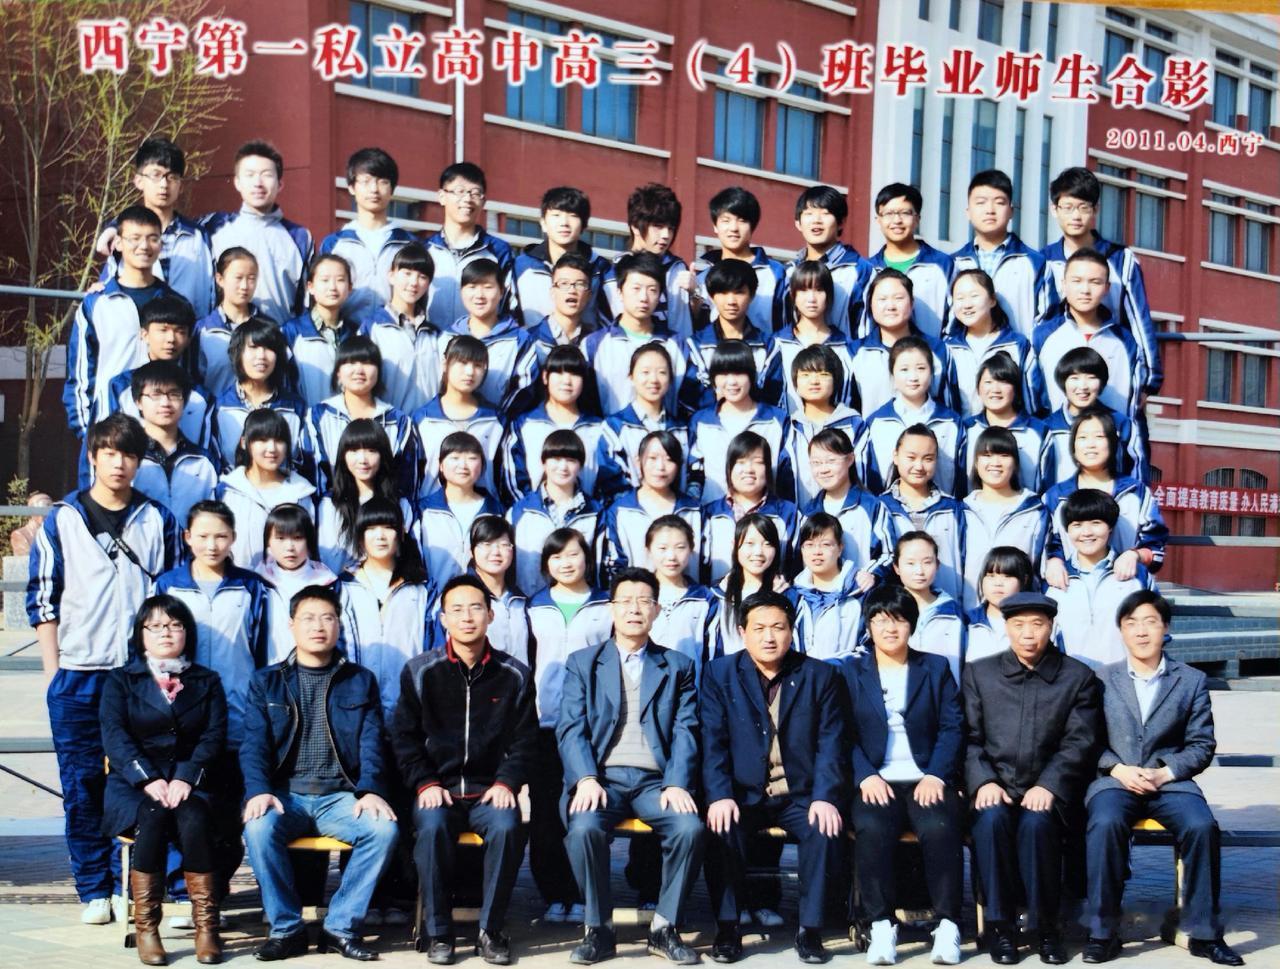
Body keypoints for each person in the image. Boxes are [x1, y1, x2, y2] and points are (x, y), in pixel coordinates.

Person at [27, 414, 182, 925]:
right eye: (109, 453)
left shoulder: (158, 519)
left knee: (149, 780)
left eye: (128, 454)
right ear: (93, 456)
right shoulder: (63, 519)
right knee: (82, 785)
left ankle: (139, 884)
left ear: (139, 461)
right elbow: (43, 599)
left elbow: (171, 599)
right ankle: (94, 887)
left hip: (141, 676)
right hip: (78, 673)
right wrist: (54, 673)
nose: (119, 463)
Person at [1082, 590, 1243, 966]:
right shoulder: (1100, 679)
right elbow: (1086, 740)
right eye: (1132, 623)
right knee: (1104, 822)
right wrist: (1117, 768)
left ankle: (1204, 934)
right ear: (1121, 631)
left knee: (1202, 826)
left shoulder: (1191, 680)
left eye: (1150, 622)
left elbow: (1202, 744)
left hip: (1170, 783)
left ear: (1165, 628)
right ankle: (1103, 932)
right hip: (1115, 780)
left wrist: (1165, 772)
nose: (1141, 631)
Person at [240, 584, 399, 962]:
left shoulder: (359, 679)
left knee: (383, 830)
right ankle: (287, 929)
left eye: (327, 618)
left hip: (340, 797)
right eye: (308, 618)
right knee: (258, 828)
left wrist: (371, 790)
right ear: (291, 624)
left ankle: (340, 926)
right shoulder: (267, 681)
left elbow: (372, 743)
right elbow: (254, 745)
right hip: (286, 796)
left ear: (338, 625)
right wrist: (259, 790)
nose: (318, 626)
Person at [559, 568, 705, 966]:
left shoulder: (677, 666)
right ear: (611, 608)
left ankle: (664, 927)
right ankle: (599, 929)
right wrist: (586, 777)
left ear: (657, 610)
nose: (635, 609)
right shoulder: (582, 663)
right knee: (584, 828)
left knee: (689, 828)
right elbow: (571, 728)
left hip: (656, 782)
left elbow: (686, 730)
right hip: (602, 779)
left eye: (644, 601)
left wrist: (677, 782)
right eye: (625, 601)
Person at [392, 574, 536, 966]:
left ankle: (491, 930)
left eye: (475, 608)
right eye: (456, 610)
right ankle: (439, 932)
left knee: (508, 827)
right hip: (438, 789)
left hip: (490, 790)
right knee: (432, 828)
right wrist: (424, 782)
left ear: (491, 615)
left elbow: (526, 740)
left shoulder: (514, 674)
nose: (467, 618)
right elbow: (404, 737)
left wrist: (507, 782)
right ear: (443, 619)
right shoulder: (421, 671)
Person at [701, 590, 847, 965]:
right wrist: (719, 795)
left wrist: (824, 797)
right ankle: (728, 928)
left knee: (823, 827)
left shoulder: (820, 675)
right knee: (720, 826)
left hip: (798, 792)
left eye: (778, 627)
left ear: (791, 631)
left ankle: (810, 930)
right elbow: (713, 742)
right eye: (760, 628)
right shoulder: (720, 674)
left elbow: (831, 743)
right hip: (742, 793)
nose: (769, 637)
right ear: (742, 631)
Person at [963, 591, 1103, 966]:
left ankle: (1046, 928)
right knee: (991, 821)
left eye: (1037, 625)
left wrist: (1049, 784)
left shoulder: (1077, 678)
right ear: (1006, 627)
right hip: (996, 786)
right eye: (1019, 624)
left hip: (1049, 793)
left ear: (1051, 627)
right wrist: (984, 781)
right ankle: (1001, 928)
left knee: (1037, 826)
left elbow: (1080, 742)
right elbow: (969, 738)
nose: (1028, 634)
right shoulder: (980, 674)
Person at [838, 584, 964, 967]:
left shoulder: (935, 667)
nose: (890, 628)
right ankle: (880, 924)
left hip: (926, 777)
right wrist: (865, 776)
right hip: (877, 779)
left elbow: (952, 726)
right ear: (868, 626)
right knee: (872, 828)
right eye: (880, 620)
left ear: (912, 624)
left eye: (898, 620)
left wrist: (937, 775)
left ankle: (947, 924)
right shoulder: (851, 672)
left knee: (940, 827)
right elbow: (842, 732)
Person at [101, 596, 228, 965]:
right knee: (153, 815)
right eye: (155, 626)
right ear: (141, 634)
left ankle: (207, 926)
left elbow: (214, 735)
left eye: (174, 625)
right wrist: (147, 779)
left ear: (187, 632)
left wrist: (187, 776)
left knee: (195, 817)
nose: (166, 633)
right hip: (135, 784)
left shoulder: (207, 680)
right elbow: (115, 736)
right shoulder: (121, 681)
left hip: (193, 780)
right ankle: (147, 928)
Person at [156, 500, 272, 901]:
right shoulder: (168, 585)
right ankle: (182, 890)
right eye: (203, 536)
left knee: (226, 809)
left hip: (237, 714)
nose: (212, 544)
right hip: (182, 716)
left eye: (221, 536)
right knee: (183, 802)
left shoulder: (251, 587)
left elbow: (262, 650)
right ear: (187, 537)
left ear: (234, 538)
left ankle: (214, 887)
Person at [526, 529, 613, 923]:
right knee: (546, 813)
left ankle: (582, 892)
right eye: (557, 556)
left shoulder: (605, 605)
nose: (566, 563)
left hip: (590, 726)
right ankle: (554, 894)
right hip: (544, 723)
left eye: (573, 554)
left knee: (581, 809)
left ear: (587, 558)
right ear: (546, 563)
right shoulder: (534, 606)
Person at [1041, 166, 1161, 411]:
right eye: (1068, 207)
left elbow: (1139, 320)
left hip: (1112, 362)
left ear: (1095, 209)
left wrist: (1149, 380)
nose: (1076, 216)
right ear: (1054, 210)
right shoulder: (1042, 261)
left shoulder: (1121, 259)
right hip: (1060, 369)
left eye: (1083, 207)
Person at [65, 205, 176, 456]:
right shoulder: (96, 304)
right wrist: (89, 434)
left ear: (161, 244)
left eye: (152, 238)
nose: (144, 246)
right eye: (134, 238)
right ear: (118, 243)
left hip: (161, 435)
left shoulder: (174, 303)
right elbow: (79, 376)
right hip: (108, 436)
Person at [1041, 408, 1167, 587]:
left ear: (1112, 443)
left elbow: (1155, 545)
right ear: (1073, 446)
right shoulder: (1055, 496)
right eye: (1082, 437)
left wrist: (1134, 555)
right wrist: (1054, 561)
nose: (1090, 444)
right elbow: (1047, 545)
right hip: (1070, 589)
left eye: (1099, 437)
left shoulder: (1135, 492)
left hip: (1125, 589)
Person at [338, 498, 439, 719]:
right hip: (356, 709)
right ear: (360, 535)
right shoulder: (343, 587)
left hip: (410, 707)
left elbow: (434, 646)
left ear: (401, 533)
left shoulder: (423, 589)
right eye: (371, 528)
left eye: (388, 527)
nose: (380, 536)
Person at [99, 137, 216, 318]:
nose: (164, 184)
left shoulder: (197, 237)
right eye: (156, 175)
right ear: (138, 181)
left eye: (172, 177)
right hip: (137, 329)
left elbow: (209, 295)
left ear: (180, 185)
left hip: (186, 331)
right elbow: (108, 289)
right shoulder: (123, 236)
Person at [202, 140, 314, 325]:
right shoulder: (215, 227)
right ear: (237, 182)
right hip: (222, 336)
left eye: (267, 175)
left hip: (278, 337)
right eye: (250, 175)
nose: (258, 183)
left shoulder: (299, 237)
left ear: (280, 183)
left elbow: (306, 302)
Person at [1033, 248, 1144, 424]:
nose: (1085, 290)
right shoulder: (1042, 336)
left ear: (1107, 288)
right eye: (1077, 281)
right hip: (1057, 436)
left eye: (1095, 282)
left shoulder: (1125, 340)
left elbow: (1133, 401)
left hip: (1110, 437)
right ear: (1063, 284)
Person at [1047, 490, 1155, 670]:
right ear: (1067, 530)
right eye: (1077, 525)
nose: (1086, 532)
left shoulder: (1137, 576)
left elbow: (1155, 629)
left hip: (1123, 679)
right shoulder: (1053, 578)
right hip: (1070, 681)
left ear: (1110, 527)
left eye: (1096, 523)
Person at [306, 335, 420, 496]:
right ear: (338, 372)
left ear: (378, 371)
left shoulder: (399, 422)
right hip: (332, 508)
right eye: (350, 362)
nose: (359, 370)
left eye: (367, 362)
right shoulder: (317, 417)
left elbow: (407, 483)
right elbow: (312, 474)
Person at [856, 335, 965, 497]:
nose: (913, 377)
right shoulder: (876, 423)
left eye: (921, 368)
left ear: (932, 372)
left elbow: (961, 479)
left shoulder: (951, 422)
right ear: (892, 374)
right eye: (904, 369)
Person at [951, 169, 1051, 341]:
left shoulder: (1035, 263)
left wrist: (1026, 352)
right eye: (981, 202)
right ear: (968, 212)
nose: (990, 210)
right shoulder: (953, 264)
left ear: (1011, 211)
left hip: (1019, 355)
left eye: (999, 202)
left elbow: (1048, 322)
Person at [687, 341, 790, 505]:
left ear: (751, 376)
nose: (732, 382)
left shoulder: (776, 420)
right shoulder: (701, 421)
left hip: (765, 515)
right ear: (713, 379)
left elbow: (787, 475)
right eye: (723, 374)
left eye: (739, 373)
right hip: (715, 515)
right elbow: (693, 475)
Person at [320, 147, 416, 323]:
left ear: (392, 189)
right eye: (366, 181)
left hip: (395, 332)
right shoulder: (334, 243)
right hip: (348, 335)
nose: (374, 189)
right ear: (351, 187)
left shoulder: (409, 243)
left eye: (382, 182)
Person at [587, 252, 688, 417]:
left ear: (660, 296)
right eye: (636, 288)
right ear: (620, 292)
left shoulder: (678, 345)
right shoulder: (594, 344)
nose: (643, 298)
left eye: (652, 290)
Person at [108, 295, 213, 452]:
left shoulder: (200, 395)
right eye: (163, 330)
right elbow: (102, 442)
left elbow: (207, 453)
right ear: (144, 334)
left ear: (188, 339)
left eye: (180, 331)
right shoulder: (120, 386)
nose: (171, 339)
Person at [215, 408, 317, 570]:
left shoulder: (301, 493)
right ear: (244, 443)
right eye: (262, 440)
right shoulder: (226, 490)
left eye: (279, 440)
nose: (272, 448)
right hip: (241, 582)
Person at [848, 270, 957, 421]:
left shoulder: (938, 350)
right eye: (882, 299)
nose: (890, 306)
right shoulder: (854, 352)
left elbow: (950, 410)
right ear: (870, 304)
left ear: (912, 303)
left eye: (898, 298)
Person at [961, 426, 1048, 611]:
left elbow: (1043, 568)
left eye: (1004, 455)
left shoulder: (1034, 511)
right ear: (976, 462)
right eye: (987, 455)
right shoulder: (962, 511)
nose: (995, 463)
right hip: (972, 616)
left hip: (1020, 615)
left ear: (1015, 463)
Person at [209, 317, 310, 476]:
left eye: (269, 348)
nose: (261, 355)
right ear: (238, 353)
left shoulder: (295, 407)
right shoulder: (219, 407)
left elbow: (303, 463)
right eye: (253, 347)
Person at [876, 425, 965, 604]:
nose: (919, 466)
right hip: (894, 610)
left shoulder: (953, 508)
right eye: (911, 457)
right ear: (896, 456)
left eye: (928, 459)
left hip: (945, 608)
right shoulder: (880, 506)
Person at [425, 161, 519, 330]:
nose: (467, 199)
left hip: (481, 344)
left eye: (475, 193)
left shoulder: (498, 251)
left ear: (483, 201)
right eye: (459, 191)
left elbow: (510, 306)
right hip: (432, 343)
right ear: (442, 196)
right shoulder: (425, 250)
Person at [502, 344, 604, 501]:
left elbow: (606, 480)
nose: (566, 381)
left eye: (574, 374)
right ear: (545, 377)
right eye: (559, 372)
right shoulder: (523, 424)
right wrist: (532, 508)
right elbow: (513, 479)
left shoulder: (599, 428)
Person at [509, 431, 603, 598]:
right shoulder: (520, 511)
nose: (563, 467)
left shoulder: (595, 512)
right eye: (556, 459)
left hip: (580, 602)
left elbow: (600, 567)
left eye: (571, 460)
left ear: (580, 466)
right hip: (531, 604)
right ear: (543, 462)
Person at [315, 418, 414, 576]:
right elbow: (324, 561)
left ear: (383, 455)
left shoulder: (401, 504)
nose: (362, 460)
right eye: (354, 451)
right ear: (343, 456)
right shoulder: (329, 505)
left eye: (371, 450)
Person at [600, 431, 701, 585]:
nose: (660, 467)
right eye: (653, 458)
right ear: (638, 461)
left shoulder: (694, 511)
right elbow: (613, 568)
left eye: (669, 460)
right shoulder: (619, 511)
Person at [699, 432, 798, 587]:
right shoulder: (709, 514)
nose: (749, 469)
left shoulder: (787, 513)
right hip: (721, 597)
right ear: (729, 468)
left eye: (758, 462)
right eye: (741, 462)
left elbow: (797, 566)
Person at [126, 361, 219, 526]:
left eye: (174, 394)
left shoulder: (203, 461)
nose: (165, 403)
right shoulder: (128, 458)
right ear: (138, 401)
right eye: (156, 394)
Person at [601, 182, 697, 341]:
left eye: (671, 228)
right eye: (658, 226)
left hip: (677, 353)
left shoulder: (678, 269)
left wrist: (694, 295)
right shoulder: (614, 272)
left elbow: (688, 326)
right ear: (635, 226)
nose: (666, 235)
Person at [413, 334, 504, 501]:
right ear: (445, 364)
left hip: (485, 511)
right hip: (431, 510)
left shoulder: (496, 420)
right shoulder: (423, 419)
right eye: (462, 362)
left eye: (478, 365)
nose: (470, 372)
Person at [944, 268, 1044, 418]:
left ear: (992, 300)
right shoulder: (948, 348)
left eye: (974, 296)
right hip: (965, 429)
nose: (967, 304)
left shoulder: (1017, 345)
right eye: (960, 298)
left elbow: (1032, 401)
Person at [358, 242, 443, 416]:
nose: (414, 282)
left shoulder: (435, 334)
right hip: (388, 424)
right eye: (407, 273)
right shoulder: (372, 328)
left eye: (422, 276)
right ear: (391, 276)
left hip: (428, 425)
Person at [682, 259, 778, 413]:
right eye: (723, 292)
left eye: (739, 292)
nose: (731, 301)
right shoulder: (695, 345)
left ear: (752, 295)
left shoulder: (769, 346)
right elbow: (691, 397)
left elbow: (773, 396)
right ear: (711, 296)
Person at [1040, 346, 1144, 487]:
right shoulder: (1048, 427)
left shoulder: (1121, 424)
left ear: (1101, 383)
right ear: (1063, 382)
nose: (1083, 386)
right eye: (1074, 378)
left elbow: (1138, 475)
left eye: (1091, 378)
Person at [446, 257, 538, 415]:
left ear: (502, 291)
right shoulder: (447, 336)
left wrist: (495, 420)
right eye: (472, 287)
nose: (479, 295)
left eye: (488, 287)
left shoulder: (520, 340)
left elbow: (524, 390)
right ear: (461, 291)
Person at [595, 342, 688, 496]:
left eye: (662, 372)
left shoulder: (682, 429)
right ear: (631, 377)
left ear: (671, 379)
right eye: (645, 372)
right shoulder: (614, 427)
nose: (654, 379)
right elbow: (610, 481)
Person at [801, 428, 893, 581]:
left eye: (831, 461)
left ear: (850, 459)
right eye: (816, 463)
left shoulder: (872, 507)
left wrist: (870, 574)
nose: (823, 469)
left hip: (861, 591)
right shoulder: (808, 512)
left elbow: (888, 553)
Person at [866, 183, 954, 340]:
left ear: (917, 219)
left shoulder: (943, 264)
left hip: (931, 352)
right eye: (889, 213)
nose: (897, 220)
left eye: (905, 213)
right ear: (878, 220)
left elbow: (955, 318)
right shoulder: (868, 269)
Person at [515, 186, 611, 330]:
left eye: (573, 215)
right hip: (534, 343)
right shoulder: (521, 266)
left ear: (584, 225)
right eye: (556, 215)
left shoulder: (600, 268)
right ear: (543, 223)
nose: (564, 223)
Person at [694, 186, 787, 334]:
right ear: (715, 226)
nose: (733, 228)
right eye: (726, 220)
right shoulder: (701, 279)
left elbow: (785, 327)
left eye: (742, 220)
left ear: (752, 227)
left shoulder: (776, 273)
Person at [417, 431, 505, 584]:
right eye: (455, 458)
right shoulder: (422, 510)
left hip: (482, 597)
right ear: (441, 465)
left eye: (472, 458)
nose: (463, 465)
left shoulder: (497, 512)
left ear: (482, 465)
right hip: (433, 597)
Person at [771, 261, 859, 414]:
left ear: (829, 296)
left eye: (819, 290)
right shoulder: (776, 344)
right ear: (793, 295)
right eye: (804, 290)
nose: (811, 298)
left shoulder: (847, 347)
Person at [786, 184, 873, 337]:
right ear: (798, 223)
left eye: (825, 213)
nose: (816, 220)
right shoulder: (789, 271)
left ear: (841, 222)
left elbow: (867, 331)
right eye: (809, 213)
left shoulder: (861, 271)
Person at [256, 504, 338, 664]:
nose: (289, 547)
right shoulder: (258, 583)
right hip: (270, 671)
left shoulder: (328, 583)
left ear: (310, 541)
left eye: (297, 538)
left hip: (318, 669)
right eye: (280, 538)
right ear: (268, 542)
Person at [783, 345, 863, 508]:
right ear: (795, 382)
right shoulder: (788, 427)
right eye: (805, 375)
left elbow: (864, 473)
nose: (814, 381)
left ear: (836, 380)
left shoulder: (853, 423)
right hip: (801, 516)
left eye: (823, 374)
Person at [962, 351, 1048, 494]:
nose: (995, 389)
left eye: (1003, 382)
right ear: (978, 388)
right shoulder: (966, 429)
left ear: (1016, 388)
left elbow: (1047, 484)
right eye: (988, 382)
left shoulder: (1038, 431)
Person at [281, 254, 360, 408]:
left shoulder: (356, 332)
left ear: (350, 288)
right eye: (325, 280)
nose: (333, 287)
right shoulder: (291, 332)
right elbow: (284, 383)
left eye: (340, 280)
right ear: (310, 287)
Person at [791, 513, 868, 662]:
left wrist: (830, 668)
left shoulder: (860, 593)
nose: (817, 552)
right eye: (809, 545)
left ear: (840, 548)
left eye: (826, 544)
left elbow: (869, 646)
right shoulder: (793, 596)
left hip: (845, 675)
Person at [644, 516, 718, 672]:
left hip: (689, 684)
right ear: (648, 550)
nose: (671, 556)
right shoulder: (638, 595)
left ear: (691, 549)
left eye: (680, 547)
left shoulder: (704, 598)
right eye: (662, 548)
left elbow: (711, 652)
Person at [892, 532, 966, 685]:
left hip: (945, 695)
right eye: (910, 563)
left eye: (927, 562)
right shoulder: (887, 610)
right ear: (896, 567)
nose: (919, 571)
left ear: (937, 565)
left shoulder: (953, 613)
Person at [196, 247, 267, 398]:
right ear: (220, 279)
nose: (245, 286)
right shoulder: (203, 330)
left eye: (251, 278)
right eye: (238, 278)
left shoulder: (268, 328)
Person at [459, 516, 531, 665]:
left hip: (520, 679)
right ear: (471, 551)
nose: (496, 552)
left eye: (504, 545)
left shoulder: (521, 601)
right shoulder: (459, 598)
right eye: (487, 544)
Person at [528, 251, 607, 364]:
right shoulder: (531, 339)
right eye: (564, 283)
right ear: (552, 292)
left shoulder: (598, 343)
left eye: (580, 284)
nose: (572, 290)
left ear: (589, 295)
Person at [963, 547, 1038, 664]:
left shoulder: (1036, 623)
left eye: (1007, 576)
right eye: (991, 575)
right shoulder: (967, 621)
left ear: (1024, 580)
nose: (998, 583)